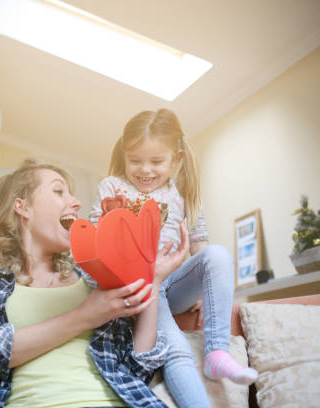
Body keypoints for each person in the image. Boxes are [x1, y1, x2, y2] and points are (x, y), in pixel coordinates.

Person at [0, 159, 191, 408]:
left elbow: (136, 370)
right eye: (59, 191)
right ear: (22, 207)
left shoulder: (92, 279)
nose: (77, 202)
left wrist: (152, 279)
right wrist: (85, 316)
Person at [90, 109, 258, 407]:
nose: (145, 170)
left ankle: (217, 353)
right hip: (144, 288)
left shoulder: (181, 196)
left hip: (174, 284)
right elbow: (94, 236)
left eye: (156, 162)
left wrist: (208, 295)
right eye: (135, 161)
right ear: (124, 155)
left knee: (217, 254)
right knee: (176, 349)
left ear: (176, 160)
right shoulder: (113, 188)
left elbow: (200, 246)